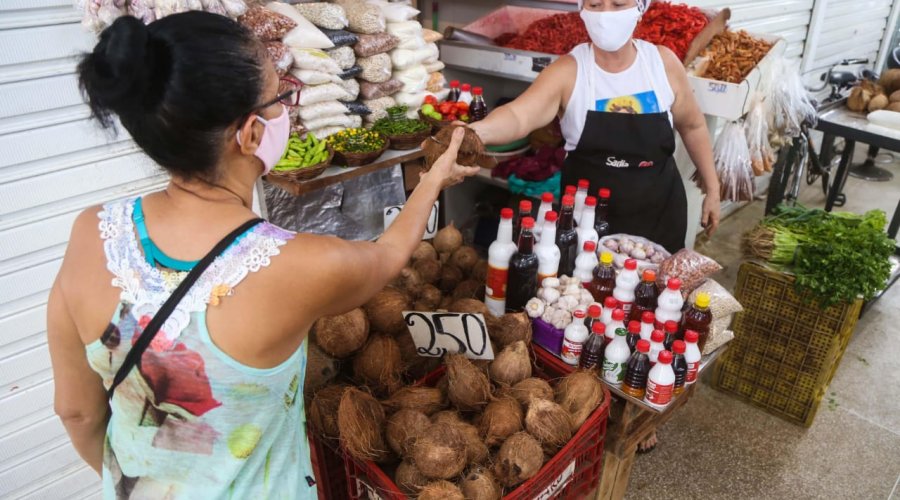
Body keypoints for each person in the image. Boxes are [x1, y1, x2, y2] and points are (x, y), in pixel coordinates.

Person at [47, 12, 477, 499]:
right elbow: (390, 254)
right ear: (251, 134)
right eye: (280, 99)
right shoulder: (299, 266)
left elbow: (76, 412)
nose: (287, 112)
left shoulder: (91, 233)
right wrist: (433, 179)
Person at [469, 0, 721, 252]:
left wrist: (712, 187)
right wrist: (476, 132)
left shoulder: (661, 64)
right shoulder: (568, 71)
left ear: (640, 7)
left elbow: (693, 126)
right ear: (583, 10)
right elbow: (518, 115)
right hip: (587, 223)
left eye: (618, 4)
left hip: (659, 216)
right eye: (595, 4)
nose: (606, 15)